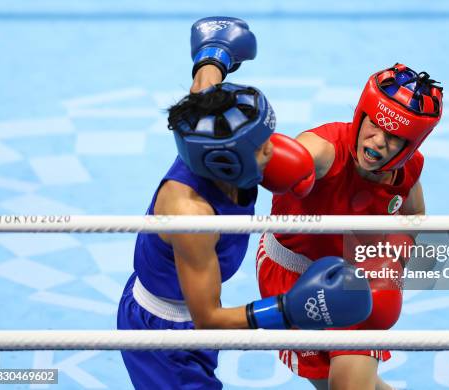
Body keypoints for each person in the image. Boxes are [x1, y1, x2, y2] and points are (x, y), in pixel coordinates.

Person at [117, 17, 373, 389]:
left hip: (189, 308)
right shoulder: (191, 215)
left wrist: (213, 55)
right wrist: (287, 310)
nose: (275, 148)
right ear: (228, 162)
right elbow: (208, 318)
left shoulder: (208, 130)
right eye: (262, 146)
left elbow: (204, 88)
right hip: (165, 334)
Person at [256, 64, 444, 390]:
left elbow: (413, 216)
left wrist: (390, 262)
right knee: (328, 384)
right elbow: (300, 153)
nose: (379, 141)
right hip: (289, 274)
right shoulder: (325, 150)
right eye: (375, 126)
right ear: (361, 116)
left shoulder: (408, 171)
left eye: (394, 137)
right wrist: (281, 165)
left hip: (357, 279)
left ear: (411, 145)